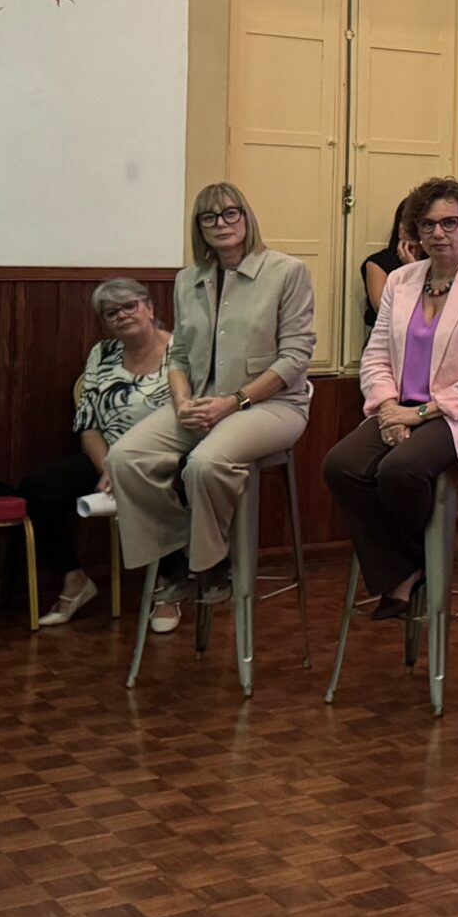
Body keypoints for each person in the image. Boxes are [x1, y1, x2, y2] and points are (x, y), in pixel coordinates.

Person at [109, 182, 315, 632]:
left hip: (272, 405)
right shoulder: (188, 279)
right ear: (199, 227)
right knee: (125, 457)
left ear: (246, 217)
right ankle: (180, 555)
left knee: (203, 464)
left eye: (229, 213)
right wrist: (182, 400)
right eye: (209, 217)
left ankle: (210, 565)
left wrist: (234, 401)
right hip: (203, 400)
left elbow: (295, 358)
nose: (221, 224)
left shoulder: (286, 272)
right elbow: (179, 354)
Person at [324, 176, 458, 617]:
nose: (438, 233)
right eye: (427, 225)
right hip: (400, 407)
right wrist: (387, 407)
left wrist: (420, 415)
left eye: (450, 223)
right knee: (341, 465)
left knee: (400, 470)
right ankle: (408, 565)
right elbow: (376, 355)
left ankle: (410, 564)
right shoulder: (401, 281)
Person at [22, 278, 173, 627]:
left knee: (177, 483)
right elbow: (88, 424)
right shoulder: (102, 353)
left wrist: (128, 466)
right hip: (108, 458)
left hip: (164, 456)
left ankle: (168, 586)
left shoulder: (181, 351)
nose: (122, 316)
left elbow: (188, 418)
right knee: (38, 485)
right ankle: (74, 579)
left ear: (150, 308)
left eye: (130, 306)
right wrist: (107, 467)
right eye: (111, 313)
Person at [361, 192, 422, 329]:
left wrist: (413, 266)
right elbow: (384, 312)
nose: (409, 228)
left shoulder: (436, 263)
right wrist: (410, 270)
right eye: (405, 221)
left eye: (417, 223)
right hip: (388, 335)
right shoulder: (378, 263)